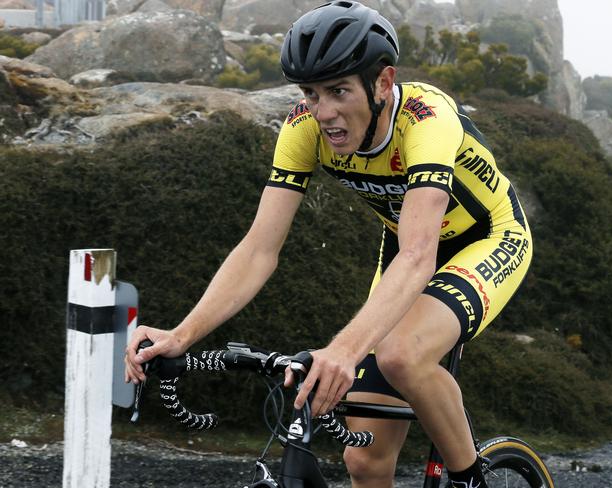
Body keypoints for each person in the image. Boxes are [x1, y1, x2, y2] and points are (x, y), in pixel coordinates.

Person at [125, 1, 533, 487]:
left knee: (401, 354)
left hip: (485, 238)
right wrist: (182, 334)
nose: (325, 113)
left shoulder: (426, 119)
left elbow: (420, 254)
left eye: (339, 91)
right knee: (364, 461)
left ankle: (472, 480)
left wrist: (342, 351)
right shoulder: (303, 128)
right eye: (312, 93)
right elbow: (259, 249)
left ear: (382, 83)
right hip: (404, 249)